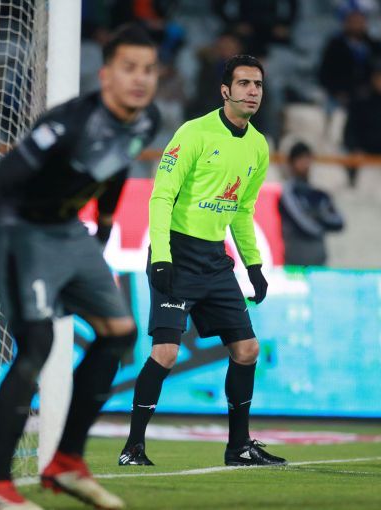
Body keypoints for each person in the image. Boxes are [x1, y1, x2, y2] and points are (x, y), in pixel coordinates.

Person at [0, 25, 160, 510]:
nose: (140, 79)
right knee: (37, 345)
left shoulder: (147, 121)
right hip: (17, 227)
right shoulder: (68, 124)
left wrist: (103, 231)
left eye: (148, 69)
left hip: (68, 229)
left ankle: (66, 463)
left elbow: (116, 167)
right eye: (129, 68)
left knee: (120, 333)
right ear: (106, 75)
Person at [118, 54, 286, 467]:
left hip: (214, 259)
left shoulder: (258, 145)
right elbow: (161, 196)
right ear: (225, 90)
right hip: (176, 254)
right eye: (244, 83)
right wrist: (161, 256)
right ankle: (133, 447)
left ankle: (239, 447)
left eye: (258, 85)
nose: (252, 91)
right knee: (166, 353)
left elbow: (242, 210)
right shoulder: (194, 133)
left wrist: (253, 266)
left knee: (247, 349)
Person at [278, 142, 344, 266]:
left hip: (319, 262)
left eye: (307, 159)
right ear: (291, 163)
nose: (305, 164)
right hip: (295, 262)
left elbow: (339, 222)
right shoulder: (288, 192)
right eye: (300, 159)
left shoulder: (318, 193)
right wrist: (321, 220)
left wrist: (318, 217)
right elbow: (303, 224)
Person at [318, 8, 381, 109]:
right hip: (341, 96)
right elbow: (325, 74)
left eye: (360, 22)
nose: (357, 25)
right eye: (354, 22)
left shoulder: (375, 45)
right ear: (346, 23)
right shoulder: (334, 46)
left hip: (371, 95)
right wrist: (336, 92)